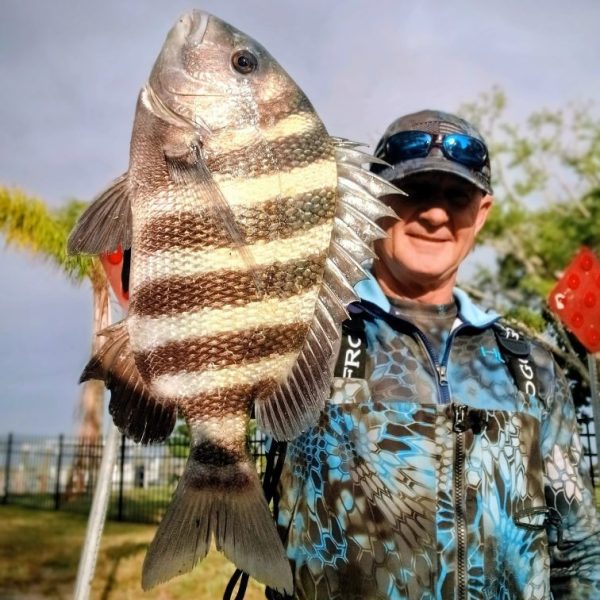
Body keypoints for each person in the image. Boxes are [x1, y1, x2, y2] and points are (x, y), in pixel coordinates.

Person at [268, 110, 600, 599]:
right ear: (373, 198)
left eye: (456, 197)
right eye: (415, 191)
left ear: (481, 212)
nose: (436, 215)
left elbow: (578, 551)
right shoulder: (305, 335)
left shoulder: (529, 365)